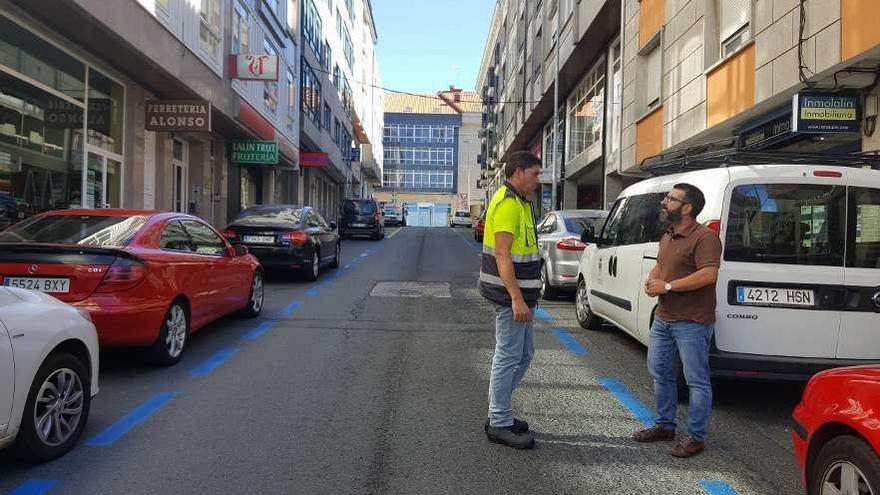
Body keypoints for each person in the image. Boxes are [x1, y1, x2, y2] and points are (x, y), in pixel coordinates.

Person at [634, 183, 722, 458]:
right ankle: (665, 426)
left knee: (696, 381)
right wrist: (652, 279)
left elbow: (709, 275)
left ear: (687, 208)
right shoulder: (668, 235)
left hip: (692, 322)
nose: (664, 202)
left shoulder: (705, 238)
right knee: (660, 373)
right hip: (664, 317)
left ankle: (695, 437)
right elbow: (661, 264)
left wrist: (668, 287)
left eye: (670, 199)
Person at [479, 151, 542, 450]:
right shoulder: (507, 204)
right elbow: (503, 254)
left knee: (524, 355)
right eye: (534, 174)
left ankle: (499, 409)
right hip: (510, 297)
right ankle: (499, 420)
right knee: (507, 357)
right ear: (519, 172)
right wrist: (516, 298)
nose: (538, 180)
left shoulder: (520, 202)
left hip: (523, 296)